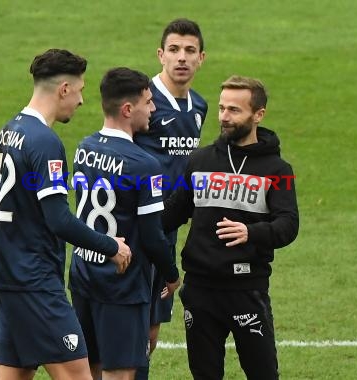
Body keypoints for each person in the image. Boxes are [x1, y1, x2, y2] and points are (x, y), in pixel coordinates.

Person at [0, 49, 132, 380]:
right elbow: (58, 219)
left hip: (6, 275)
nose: (81, 101)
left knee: (15, 375)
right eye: (80, 90)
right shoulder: (45, 142)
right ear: (64, 88)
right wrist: (110, 245)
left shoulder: (9, 130)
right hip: (34, 280)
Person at [162, 75, 299, 380]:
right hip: (199, 291)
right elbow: (171, 214)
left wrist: (252, 232)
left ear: (258, 115)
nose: (224, 116)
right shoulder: (200, 161)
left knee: (263, 374)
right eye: (222, 108)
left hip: (246, 289)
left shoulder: (278, 171)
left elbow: (288, 225)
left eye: (234, 110)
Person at [69, 67, 181, 380]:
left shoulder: (84, 148)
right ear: (128, 109)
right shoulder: (144, 164)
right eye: (148, 102)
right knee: (121, 373)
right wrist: (171, 276)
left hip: (83, 275)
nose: (154, 109)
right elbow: (152, 235)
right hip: (122, 284)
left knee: (89, 368)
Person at [133, 18, 207, 378]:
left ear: (201, 58)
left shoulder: (200, 107)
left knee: (151, 334)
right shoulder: (141, 101)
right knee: (126, 336)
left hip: (170, 227)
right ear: (160, 55)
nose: (182, 58)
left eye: (189, 51)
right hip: (138, 227)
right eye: (174, 50)